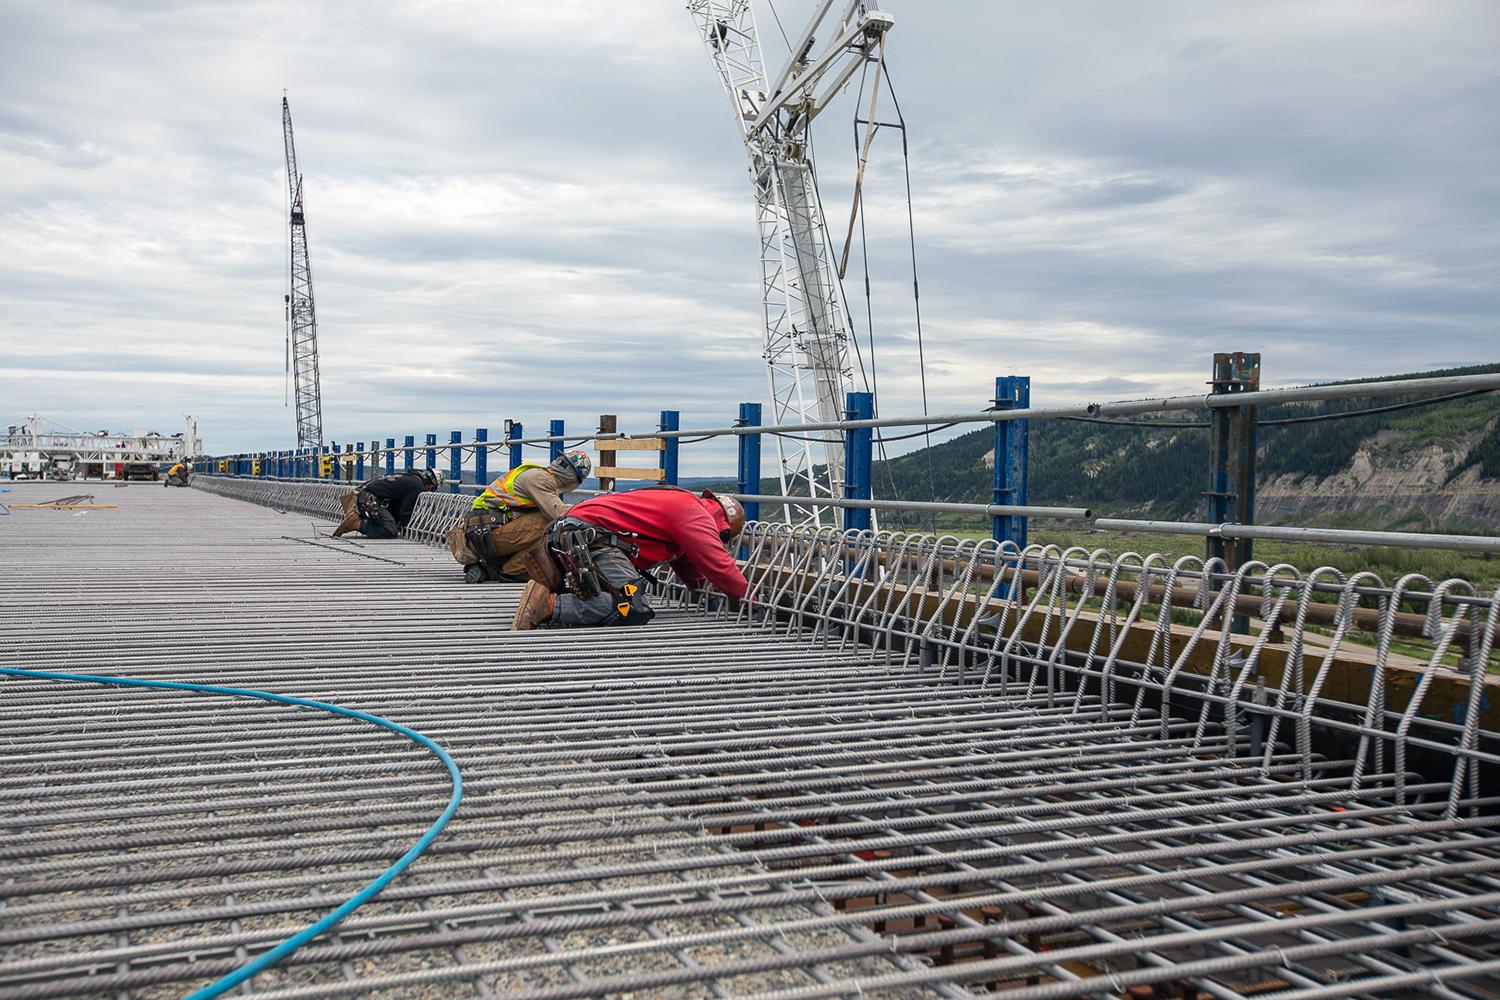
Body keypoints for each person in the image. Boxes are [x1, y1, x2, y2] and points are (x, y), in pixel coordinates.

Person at [512, 487, 747, 630]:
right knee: (630, 607)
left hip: (570, 533)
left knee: (606, 595)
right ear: (725, 528)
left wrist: (708, 595)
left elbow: (689, 569)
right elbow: (719, 564)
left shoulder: (681, 503)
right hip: (595, 539)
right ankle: (548, 605)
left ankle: (553, 600)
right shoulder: (698, 516)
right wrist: (750, 600)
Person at [446, 450, 592, 584]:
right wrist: (591, 519)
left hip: (482, 535)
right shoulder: (541, 479)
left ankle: (489, 570)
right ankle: (512, 571)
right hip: (487, 535)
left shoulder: (535, 474)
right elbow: (559, 514)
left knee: (544, 530)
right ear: (574, 479)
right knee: (550, 525)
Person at [332, 468, 439, 538]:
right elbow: (404, 512)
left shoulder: (409, 478)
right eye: (432, 489)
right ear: (430, 484)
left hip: (364, 497)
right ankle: (358, 524)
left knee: (390, 523)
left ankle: (360, 521)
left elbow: (396, 506)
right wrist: (410, 529)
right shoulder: (417, 486)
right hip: (370, 500)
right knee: (391, 531)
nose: (429, 492)